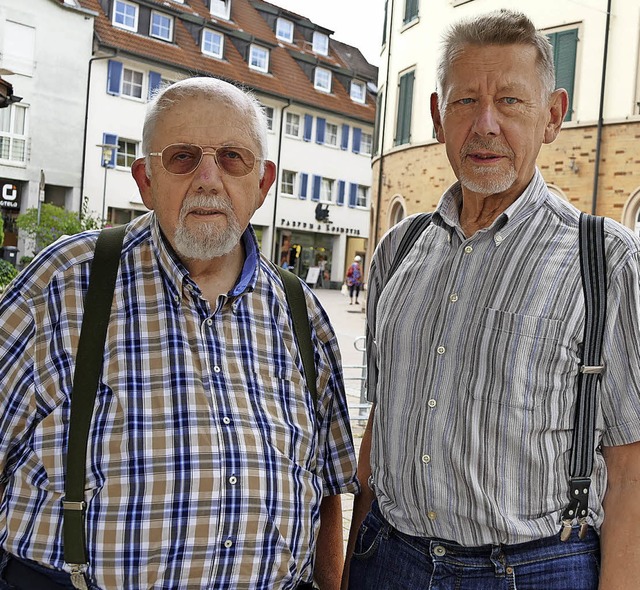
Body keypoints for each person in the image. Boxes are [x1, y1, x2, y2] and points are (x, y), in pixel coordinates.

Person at [0, 77, 359, 590]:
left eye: (233, 158)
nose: (209, 179)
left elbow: (326, 493)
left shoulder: (302, 313)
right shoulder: (63, 285)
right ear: (145, 180)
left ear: (263, 182)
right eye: (183, 158)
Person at [343, 9, 640, 590]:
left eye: (510, 101)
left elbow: (631, 471)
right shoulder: (398, 252)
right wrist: (356, 561)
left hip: (533, 570)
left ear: (552, 116)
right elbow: (379, 426)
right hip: (389, 560)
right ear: (437, 116)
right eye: (464, 102)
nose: (485, 124)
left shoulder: (605, 261)